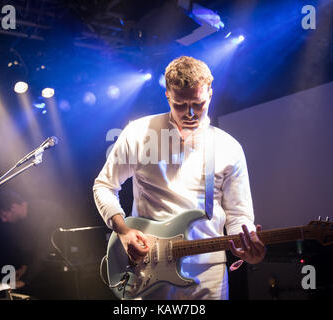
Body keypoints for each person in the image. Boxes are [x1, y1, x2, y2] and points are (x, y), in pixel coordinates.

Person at [93, 56, 265, 300]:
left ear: (210, 95)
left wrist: (247, 249)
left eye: (198, 103)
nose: (190, 113)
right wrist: (123, 231)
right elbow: (104, 185)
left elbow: (238, 215)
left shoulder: (228, 147)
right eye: (180, 105)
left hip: (209, 273)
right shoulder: (139, 133)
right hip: (148, 268)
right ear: (167, 96)